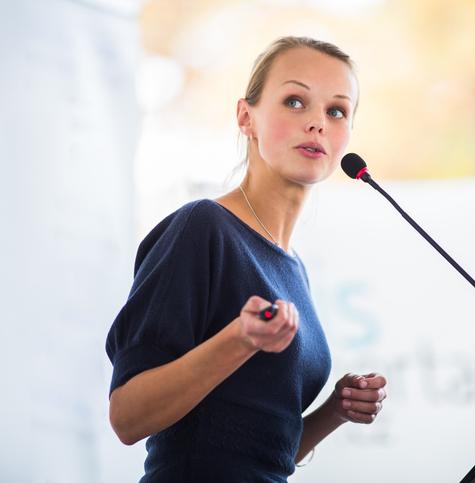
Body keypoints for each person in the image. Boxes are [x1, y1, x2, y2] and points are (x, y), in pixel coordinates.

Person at [106, 36, 388, 482]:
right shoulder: (203, 228)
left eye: (337, 110)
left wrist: (335, 411)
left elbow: (265, 455)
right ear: (246, 117)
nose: (317, 122)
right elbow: (127, 416)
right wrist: (239, 341)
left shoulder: (294, 268)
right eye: (295, 101)